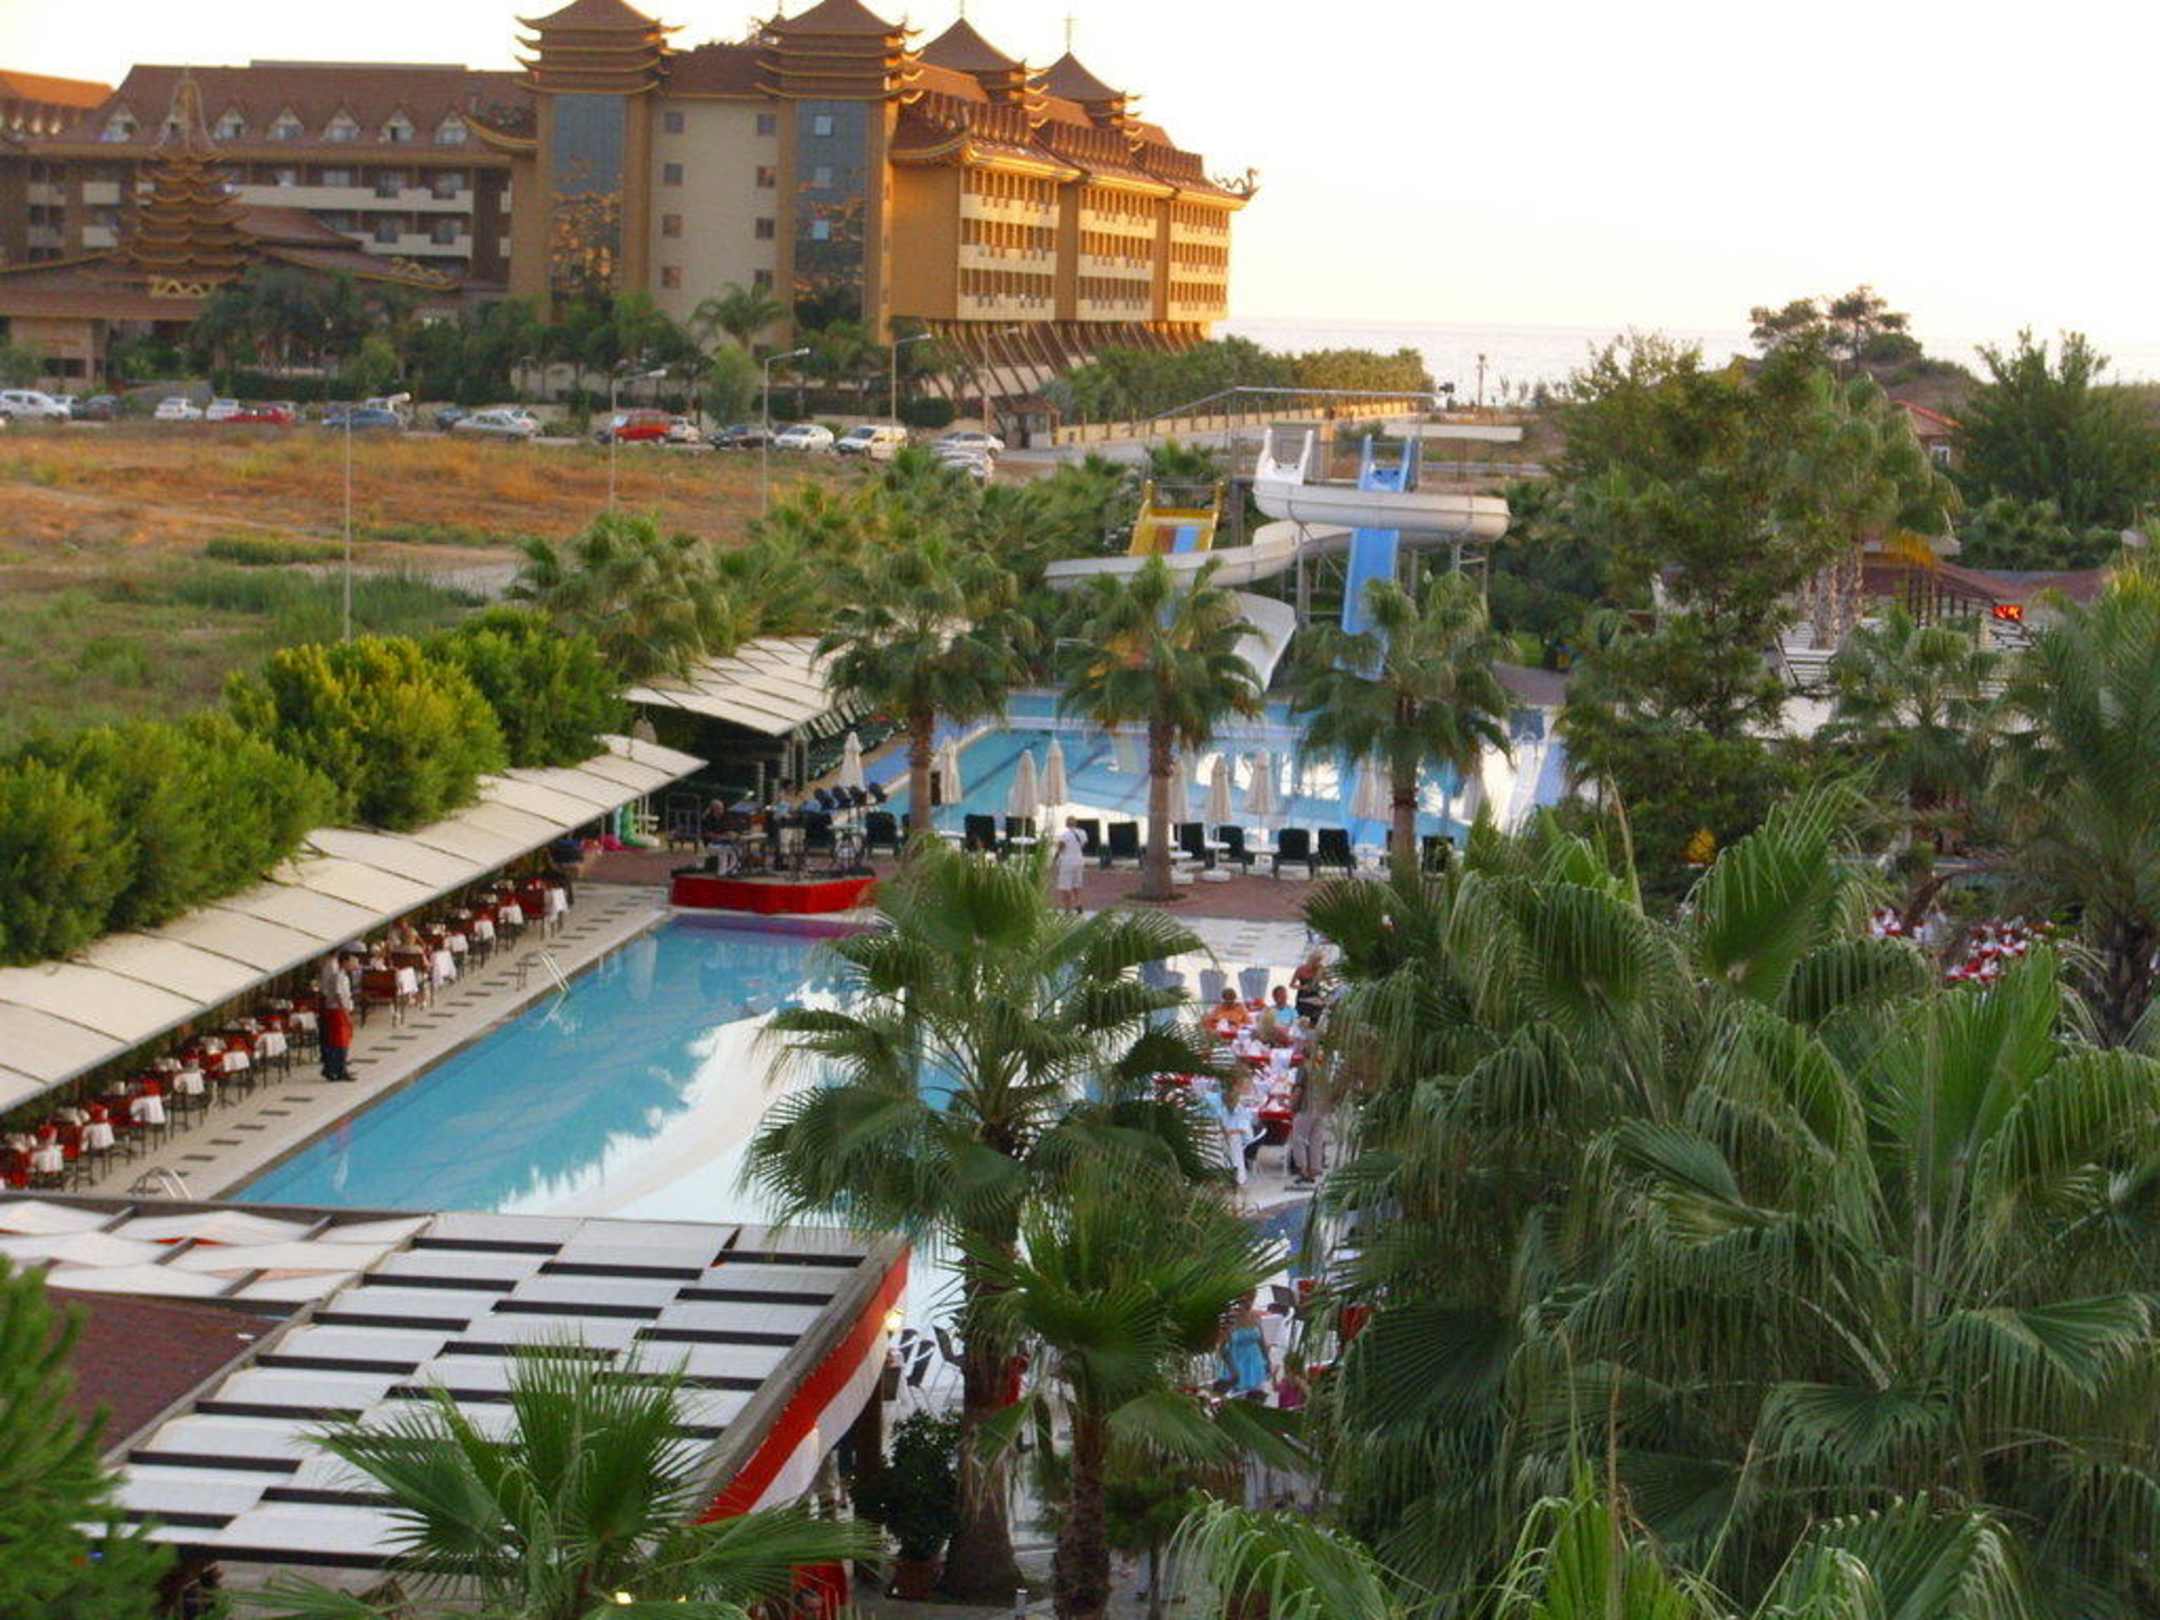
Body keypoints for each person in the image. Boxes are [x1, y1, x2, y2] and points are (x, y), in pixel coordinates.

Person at [1217, 1292, 1269, 1397]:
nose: (1248, 1303)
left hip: (1255, 1363)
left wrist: (1267, 1361)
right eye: (1245, 1301)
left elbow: (1261, 1341)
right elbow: (1220, 1347)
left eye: (1251, 1300)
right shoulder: (1230, 1319)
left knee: (1256, 1396)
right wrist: (1233, 1370)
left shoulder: (1255, 1316)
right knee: (1237, 1397)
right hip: (1236, 1363)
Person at [319, 953, 356, 1083]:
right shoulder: (338, 976)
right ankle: (336, 1069)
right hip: (337, 1011)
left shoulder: (343, 976)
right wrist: (345, 1013)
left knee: (342, 1041)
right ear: (344, 962)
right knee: (339, 1041)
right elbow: (338, 995)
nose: (353, 964)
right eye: (351, 962)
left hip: (340, 1010)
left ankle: (337, 1068)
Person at [1052, 816, 1087, 913]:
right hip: (1079, 860)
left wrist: (1054, 859)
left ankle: (1067, 908)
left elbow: (1060, 848)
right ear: (1076, 823)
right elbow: (1083, 845)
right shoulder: (1083, 833)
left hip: (1067, 862)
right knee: (1077, 884)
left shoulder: (1065, 835)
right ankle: (1078, 903)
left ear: (1066, 824)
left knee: (1064, 886)